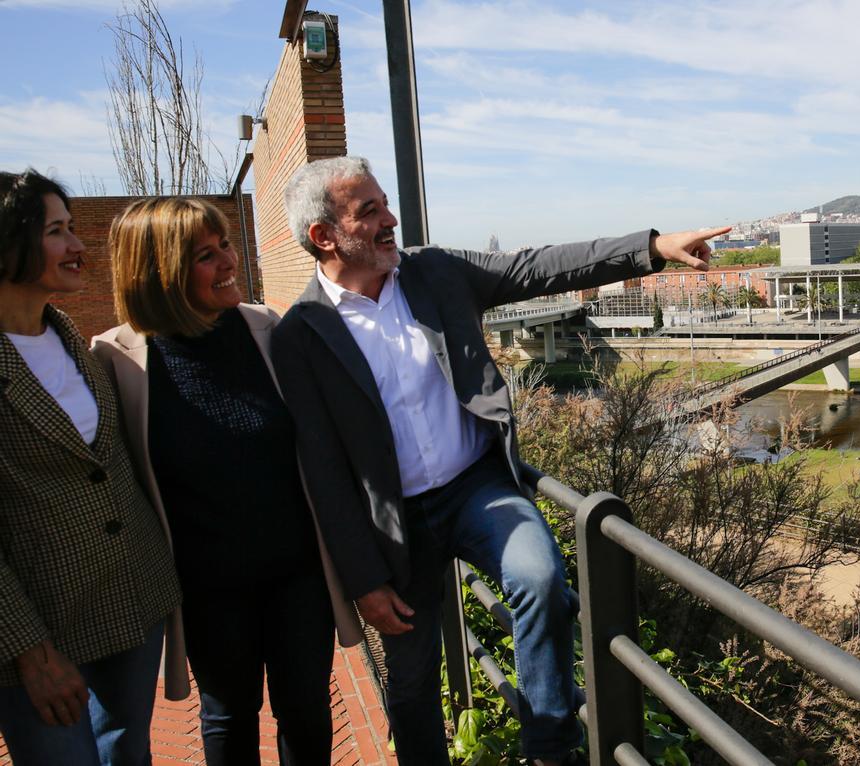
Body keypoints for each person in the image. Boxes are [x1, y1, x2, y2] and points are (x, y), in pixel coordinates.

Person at [270, 156, 729, 766]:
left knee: (540, 580)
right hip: (394, 528)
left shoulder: (433, 273)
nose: (390, 219)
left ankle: (548, 751)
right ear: (324, 236)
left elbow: (536, 267)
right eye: (370, 210)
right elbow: (321, 471)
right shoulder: (301, 334)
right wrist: (364, 580)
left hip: (474, 491)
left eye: (385, 202)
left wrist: (651, 247)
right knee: (410, 687)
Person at [93, 197, 363, 764]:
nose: (228, 262)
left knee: (307, 710)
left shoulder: (266, 329)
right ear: (160, 273)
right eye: (205, 256)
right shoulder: (116, 361)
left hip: (297, 576)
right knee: (228, 716)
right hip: (207, 588)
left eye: (225, 247)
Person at [0, 170, 181, 764]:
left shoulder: (69, 336)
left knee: (129, 751)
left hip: (133, 598)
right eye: (57, 231)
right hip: (42, 629)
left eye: (73, 227)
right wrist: (30, 652)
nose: (80, 246)